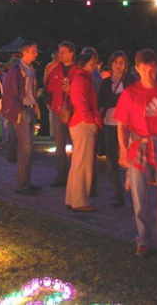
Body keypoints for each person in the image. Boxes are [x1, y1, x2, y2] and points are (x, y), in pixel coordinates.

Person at [115, 48, 157, 257]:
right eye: (144, 71)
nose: (149, 75)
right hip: (139, 148)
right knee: (139, 195)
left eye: (152, 71)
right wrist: (122, 150)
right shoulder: (130, 94)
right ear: (137, 69)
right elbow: (122, 124)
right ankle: (143, 238)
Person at [2, 41, 42, 196]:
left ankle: (26, 182)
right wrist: (16, 111)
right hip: (22, 111)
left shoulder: (31, 69)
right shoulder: (16, 70)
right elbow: (11, 92)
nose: (36, 53)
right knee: (25, 148)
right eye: (33, 51)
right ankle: (21, 185)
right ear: (25, 52)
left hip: (30, 109)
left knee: (29, 148)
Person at [66, 52, 101, 212]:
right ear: (84, 65)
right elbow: (81, 102)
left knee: (78, 163)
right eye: (91, 64)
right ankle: (79, 201)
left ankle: (72, 198)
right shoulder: (82, 80)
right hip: (83, 123)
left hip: (79, 122)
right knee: (83, 164)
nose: (94, 67)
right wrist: (91, 120)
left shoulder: (81, 78)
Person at [98, 50, 134, 208]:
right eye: (116, 62)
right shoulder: (106, 83)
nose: (119, 66)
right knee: (111, 161)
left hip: (127, 125)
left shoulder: (130, 81)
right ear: (111, 64)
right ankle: (118, 195)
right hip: (110, 123)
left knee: (131, 159)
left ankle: (135, 192)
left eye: (121, 62)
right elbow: (102, 102)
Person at [45, 41, 78, 187]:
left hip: (74, 112)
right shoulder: (55, 70)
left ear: (72, 53)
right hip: (58, 111)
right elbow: (48, 90)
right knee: (60, 145)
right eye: (60, 51)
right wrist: (52, 104)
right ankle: (61, 175)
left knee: (75, 145)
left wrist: (73, 90)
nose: (61, 54)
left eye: (64, 51)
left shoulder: (78, 70)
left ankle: (74, 175)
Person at [43, 50, 59, 139]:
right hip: (51, 93)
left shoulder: (61, 65)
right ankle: (53, 134)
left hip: (59, 93)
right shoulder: (50, 66)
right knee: (52, 114)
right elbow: (46, 79)